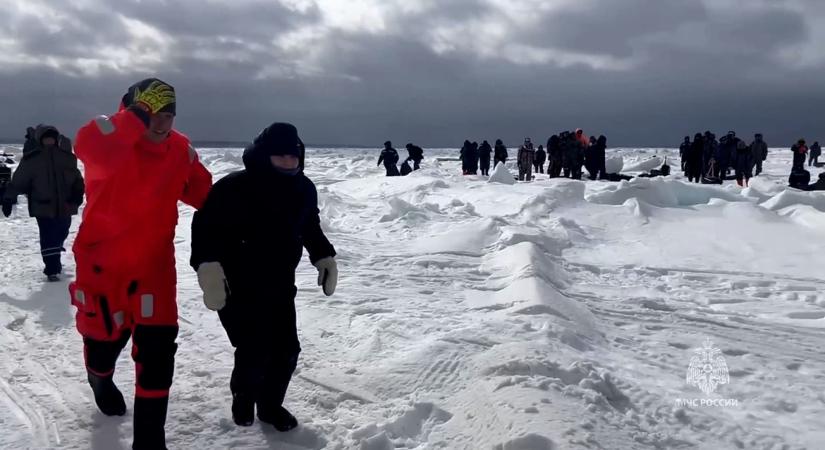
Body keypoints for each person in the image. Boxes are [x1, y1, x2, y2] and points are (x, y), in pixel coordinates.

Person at [69, 78, 213, 450]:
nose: (161, 123)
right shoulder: (110, 138)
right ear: (131, 110)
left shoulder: (180, 149)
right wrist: (136, 114)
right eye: (153, 112)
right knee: (105, 340)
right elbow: (88, 146)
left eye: (168, 114)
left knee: (158, 352)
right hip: (104, 265)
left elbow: (206, 195)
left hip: (154, 270)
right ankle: (98, 376)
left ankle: (150, 441)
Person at [191, 122, 337, 432]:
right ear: (263, 155)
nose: (288, 162)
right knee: (254, 346)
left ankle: (270, 406)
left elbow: (309, 226)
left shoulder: (303, 187)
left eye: (293, 156)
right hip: (236, 283)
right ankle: (243, 395)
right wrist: (208, 269)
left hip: (280, 282)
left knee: (286, 350)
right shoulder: (234, 187)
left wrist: (323, 255)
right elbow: (205, 230)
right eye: (280, 156)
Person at [2, 125, 84, 281]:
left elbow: (76, 178)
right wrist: (8, 197)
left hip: (65, 205)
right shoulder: (32, 159)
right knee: (48, 237)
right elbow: (19, 181)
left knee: (62, 231)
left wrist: (78, 192)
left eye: (51, 138)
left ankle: (55, 252)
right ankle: (52, 269)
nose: (49, 141)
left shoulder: (66, 157)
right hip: (43, 205)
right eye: (46, 138)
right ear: (40, 139)